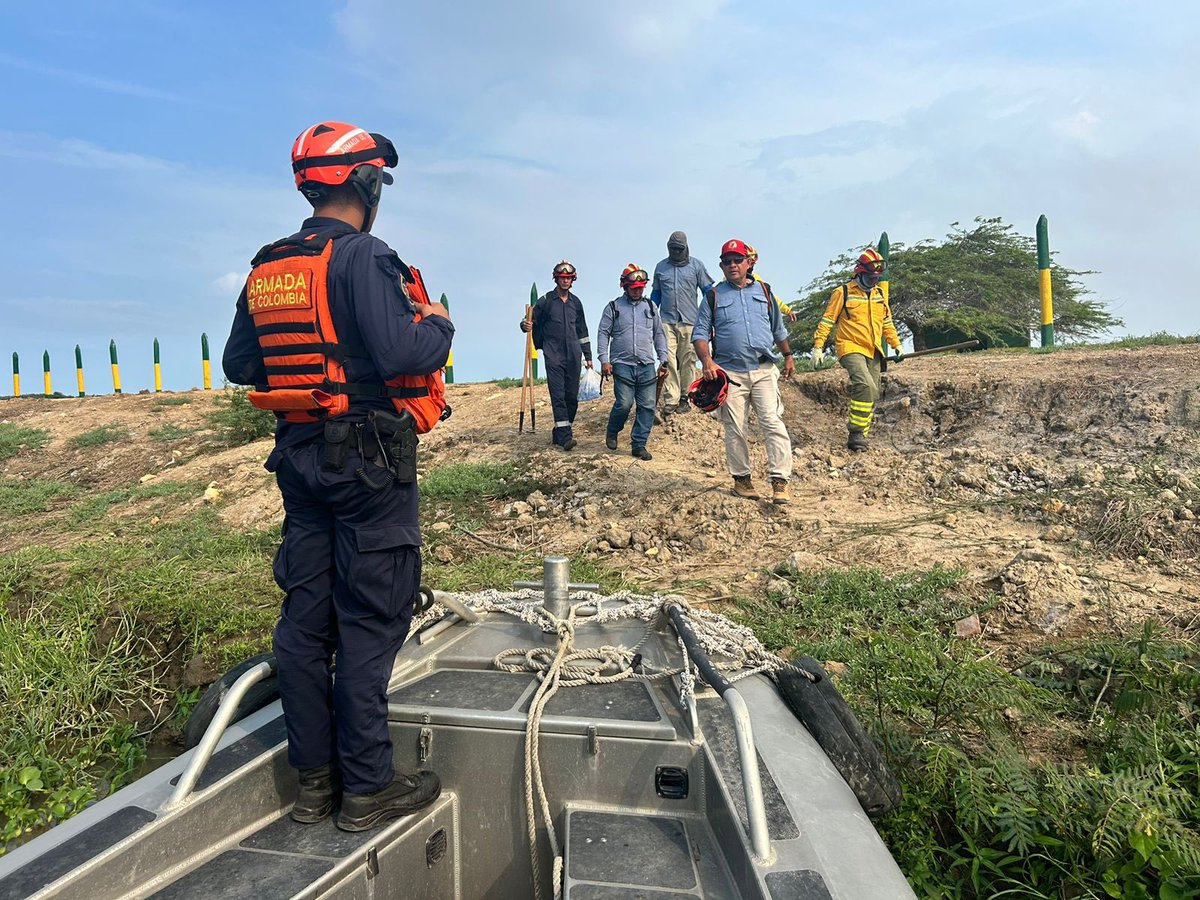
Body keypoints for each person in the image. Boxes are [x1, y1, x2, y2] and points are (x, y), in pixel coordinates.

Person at [222, 121, 453, 833]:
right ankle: (367, 788)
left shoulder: (267, 267)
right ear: (365, 184)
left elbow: (239, 365)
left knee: (304, 620)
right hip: (367, 467)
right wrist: (440, 323)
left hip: (298, 460)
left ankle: (313, 785)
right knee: (366, 619)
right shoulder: (365, 257)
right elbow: (400, 349)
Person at [693, 239, 796, 504]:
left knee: (772, 422)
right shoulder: (713, 296)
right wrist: (706, 361)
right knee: (735, 428)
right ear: (721, 266)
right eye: (727, 261)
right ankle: (742, 479)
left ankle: (780, 482)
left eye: (737, 260)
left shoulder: (764, 291)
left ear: (748, 262)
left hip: (763, 369)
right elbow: (700, 334)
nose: (732, 265)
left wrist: (788, 356)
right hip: (731, 374)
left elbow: (778, 329)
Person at [810, 247, 902, 452]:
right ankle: (856, 433)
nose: (873, 281)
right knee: (865, 385)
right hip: (850, 346)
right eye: (870, 277)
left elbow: (886, 322)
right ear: (860, 272)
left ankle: (862, 435)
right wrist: (818, 346)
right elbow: (827, 321)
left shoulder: (879, 294)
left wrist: (896, 344)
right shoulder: (842, 292)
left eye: (876, 278)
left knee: (873, 391)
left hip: (874, 349)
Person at [597, 264, 669, 460]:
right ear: (625, 286)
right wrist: (604, 360)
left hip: (646, 365)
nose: (638, 291)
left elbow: (659, 334)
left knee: (647, 406)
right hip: (622, 365)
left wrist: (664, 358)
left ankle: (639, 444)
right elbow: (603, 333)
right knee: (624, 403)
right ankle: (613, 431)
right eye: (634, 287)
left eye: (641, 287)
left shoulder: (651, 307)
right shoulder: (614, 307)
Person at [519, 260, 593, 450]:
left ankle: (559, 431)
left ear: (572, 280)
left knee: (571, 397)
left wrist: (588, 357)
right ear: (556, 279)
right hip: (553, 354)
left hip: (574, 355)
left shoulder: (576, 303)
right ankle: (565, 436)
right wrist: (524, 325)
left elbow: (582, 331)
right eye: (562, 278)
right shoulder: (545, 300)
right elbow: (529, 319)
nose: (565, 281)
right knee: (558, 394)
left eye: (568, 278)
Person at [650, 231, 714, 421]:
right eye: (673, 249)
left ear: (685, 248)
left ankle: (686, 396)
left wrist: (710, 318)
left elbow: (708, 292)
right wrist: (650, 315)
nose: (676, 252)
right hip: (666, 321)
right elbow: (656, 294)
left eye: (679, 249)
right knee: (667, 359)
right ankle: (672, 399)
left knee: (688, 359)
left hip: (690, 321)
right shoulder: (661, 267)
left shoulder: (696, 266)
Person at [746, 244, 798, 322]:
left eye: (752, 263)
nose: (750, 266)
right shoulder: (727, 283)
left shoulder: (757, 280)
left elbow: (771, 298)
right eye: (748, 262)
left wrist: (787, 310)